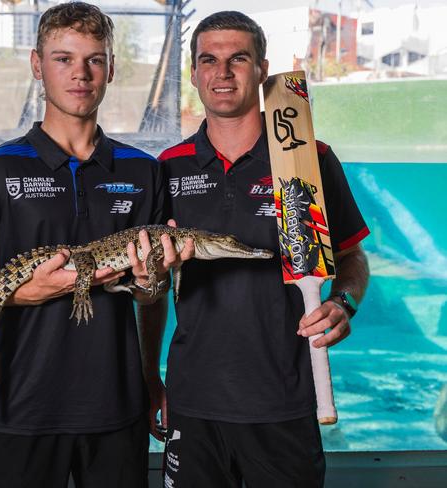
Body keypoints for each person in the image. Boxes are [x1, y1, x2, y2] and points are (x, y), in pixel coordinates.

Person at [0, 3, 191, 487]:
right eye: (63, 58)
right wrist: (25, 291)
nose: (80, 74)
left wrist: (150, 371)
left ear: (110, 69)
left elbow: (150, 299)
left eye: (94, 59)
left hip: (116, 403)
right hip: (23, 404)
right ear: (36, 64)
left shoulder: (143, 170)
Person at [148, 11, 371, 488]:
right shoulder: (167, 167)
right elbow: (152, 287)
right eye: (208, 60)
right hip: (194, 398)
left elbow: (351, 255)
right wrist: (151, 374)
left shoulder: (309, 157)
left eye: (238, 59)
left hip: (284, 399)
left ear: (262, 68)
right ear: (193, 73)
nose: (222, 73)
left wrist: (343, 301)